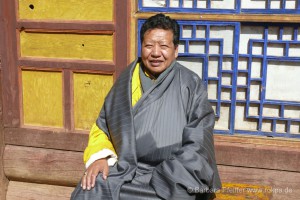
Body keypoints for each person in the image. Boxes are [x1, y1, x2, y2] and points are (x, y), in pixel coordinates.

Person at [71, 13, 221, 200]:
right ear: (141, 47)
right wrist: (101, 158)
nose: (156, 53)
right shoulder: (126, 81)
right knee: (91, 187)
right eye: (149, 45)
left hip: (173, 174)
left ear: (176, 50)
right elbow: (103, 127)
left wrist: (171, 175)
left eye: (164, 46)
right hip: (128, 170)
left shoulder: (190, 84)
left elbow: (199, 142)